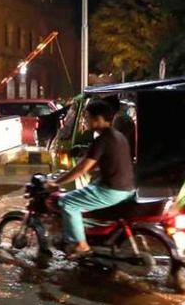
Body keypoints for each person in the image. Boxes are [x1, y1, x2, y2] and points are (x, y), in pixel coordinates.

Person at [47, 100, 135, 259]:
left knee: (67, 202)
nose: (85, 121)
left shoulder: (102, 140)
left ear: (99, 119)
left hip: (113, 190)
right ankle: (86, 232)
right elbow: (99, 161)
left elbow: (82, 169)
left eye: (87, 117)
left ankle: (81, 245)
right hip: (126, 188)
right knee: (84, 191)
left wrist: (56, 182)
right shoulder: (118, 136)